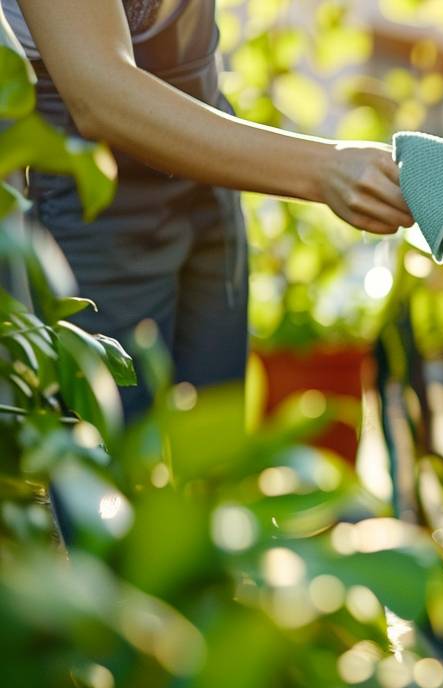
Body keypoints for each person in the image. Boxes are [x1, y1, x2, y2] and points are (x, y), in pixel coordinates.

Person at [5, 0, 414, 416]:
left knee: (215, 444)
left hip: (208, 159)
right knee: (112, 456)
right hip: (91, 193)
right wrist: (323, 169)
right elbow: (99, 94)